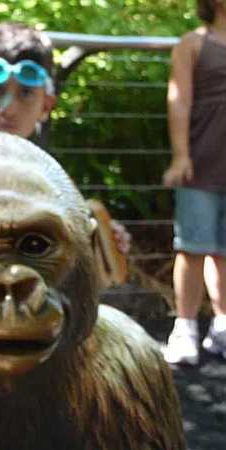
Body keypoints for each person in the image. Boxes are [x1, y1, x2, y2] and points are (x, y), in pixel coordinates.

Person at [0, 22, 132, 256]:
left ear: (46, 105)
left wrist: (103, 241)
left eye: (26, 92)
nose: (8, 109)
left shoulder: (52, 181)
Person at [161, 0, 226, 366]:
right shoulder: (194, 44)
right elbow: (179, 101)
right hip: (200, 164)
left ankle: (223, 325)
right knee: (192, 247)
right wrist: (181, 155)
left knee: (224, 252)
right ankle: (184, 328)